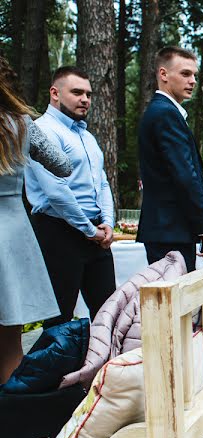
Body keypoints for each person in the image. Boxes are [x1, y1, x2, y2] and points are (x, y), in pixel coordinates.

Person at [25, 66, 116, 327]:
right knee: (59, 318)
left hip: (96, 234)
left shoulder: (86, 136)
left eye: (88, 94)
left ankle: (102, 368)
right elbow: (56, 191)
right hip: (58, 233)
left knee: (108, 313)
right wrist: (89, 230)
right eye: (77, 92)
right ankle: (55, 370)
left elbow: (102, 182)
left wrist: (107, 222)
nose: (85, 99)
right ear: (55, 93)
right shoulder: (41, 130)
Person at [0, 57, 72, 383]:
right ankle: (12, 421)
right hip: (13, 234)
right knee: (11, 341)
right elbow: (62, 165)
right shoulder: (23, 124)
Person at [137, 46, 203, 272]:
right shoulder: (165, 114)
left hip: (167, 229)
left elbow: (170, 173)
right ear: (163, 74)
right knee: (174, 304)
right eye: (185, 74)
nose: (192, 81)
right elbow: (184, 178)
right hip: (170, 230)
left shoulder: (163, 111)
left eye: (194, 75)